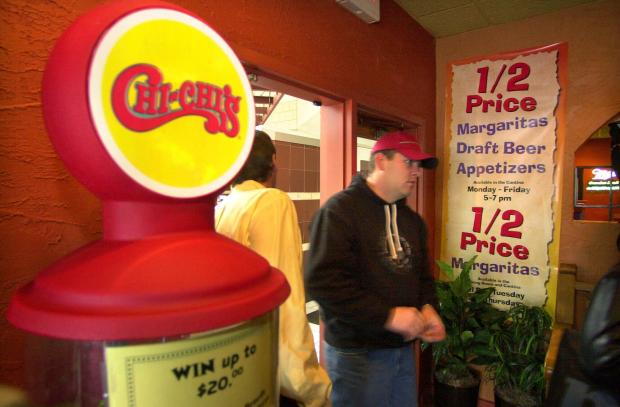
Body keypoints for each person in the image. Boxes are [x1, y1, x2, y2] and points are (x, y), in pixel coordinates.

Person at [304, 131, 446, 407]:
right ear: (381, 161)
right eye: (409, 163)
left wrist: (428, 306)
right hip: (357, 356)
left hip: (402, 351)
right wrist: (388, 316)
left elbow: (422, 278)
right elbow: (323, 283)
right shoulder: (339, 211)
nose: (417, 172)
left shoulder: (412, 221)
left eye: (419, 166)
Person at [215, 130, 332, 407]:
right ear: (273, 161)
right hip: (269, 368)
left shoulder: (223, 207)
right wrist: (309, 383)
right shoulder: (271, 202)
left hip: (233, 362)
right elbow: (284, 299)